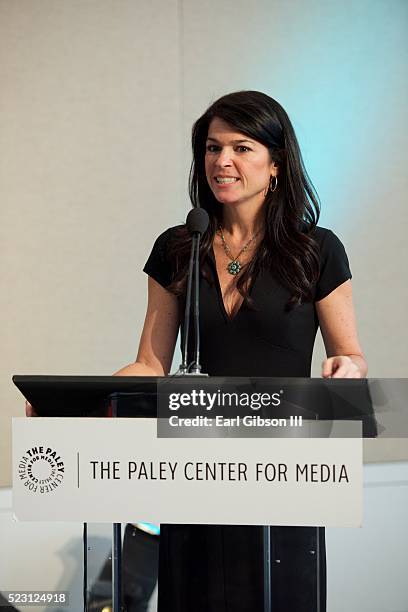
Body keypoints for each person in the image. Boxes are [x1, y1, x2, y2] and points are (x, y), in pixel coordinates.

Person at [115, 90, 368, 611]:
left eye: (241, 147)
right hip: (190, 468)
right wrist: (84, 404)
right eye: (211, 148)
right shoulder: (178, 246)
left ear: (276, 163)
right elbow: (150, 363)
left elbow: (351, 355)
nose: (221, 161)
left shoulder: (316, 250)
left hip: (283, 469)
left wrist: (347, 368)